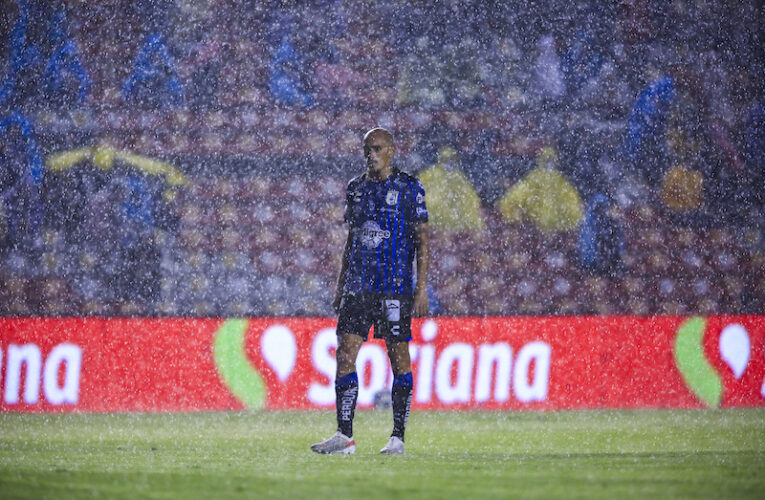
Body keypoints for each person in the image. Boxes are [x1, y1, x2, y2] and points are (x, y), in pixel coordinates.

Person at [311, 128, 429, 455]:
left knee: (398, 355)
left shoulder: (408, 187)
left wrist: (421, 289)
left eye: (377, 148)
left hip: (394, 286)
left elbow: (423, 240)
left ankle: (397, 438)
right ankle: (344, 436)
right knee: (345, 352)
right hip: (359, 286)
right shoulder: (356, 188)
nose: (371, 155)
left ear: (392, 149)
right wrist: (340, 284)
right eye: (367, 149)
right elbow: (351, 241)